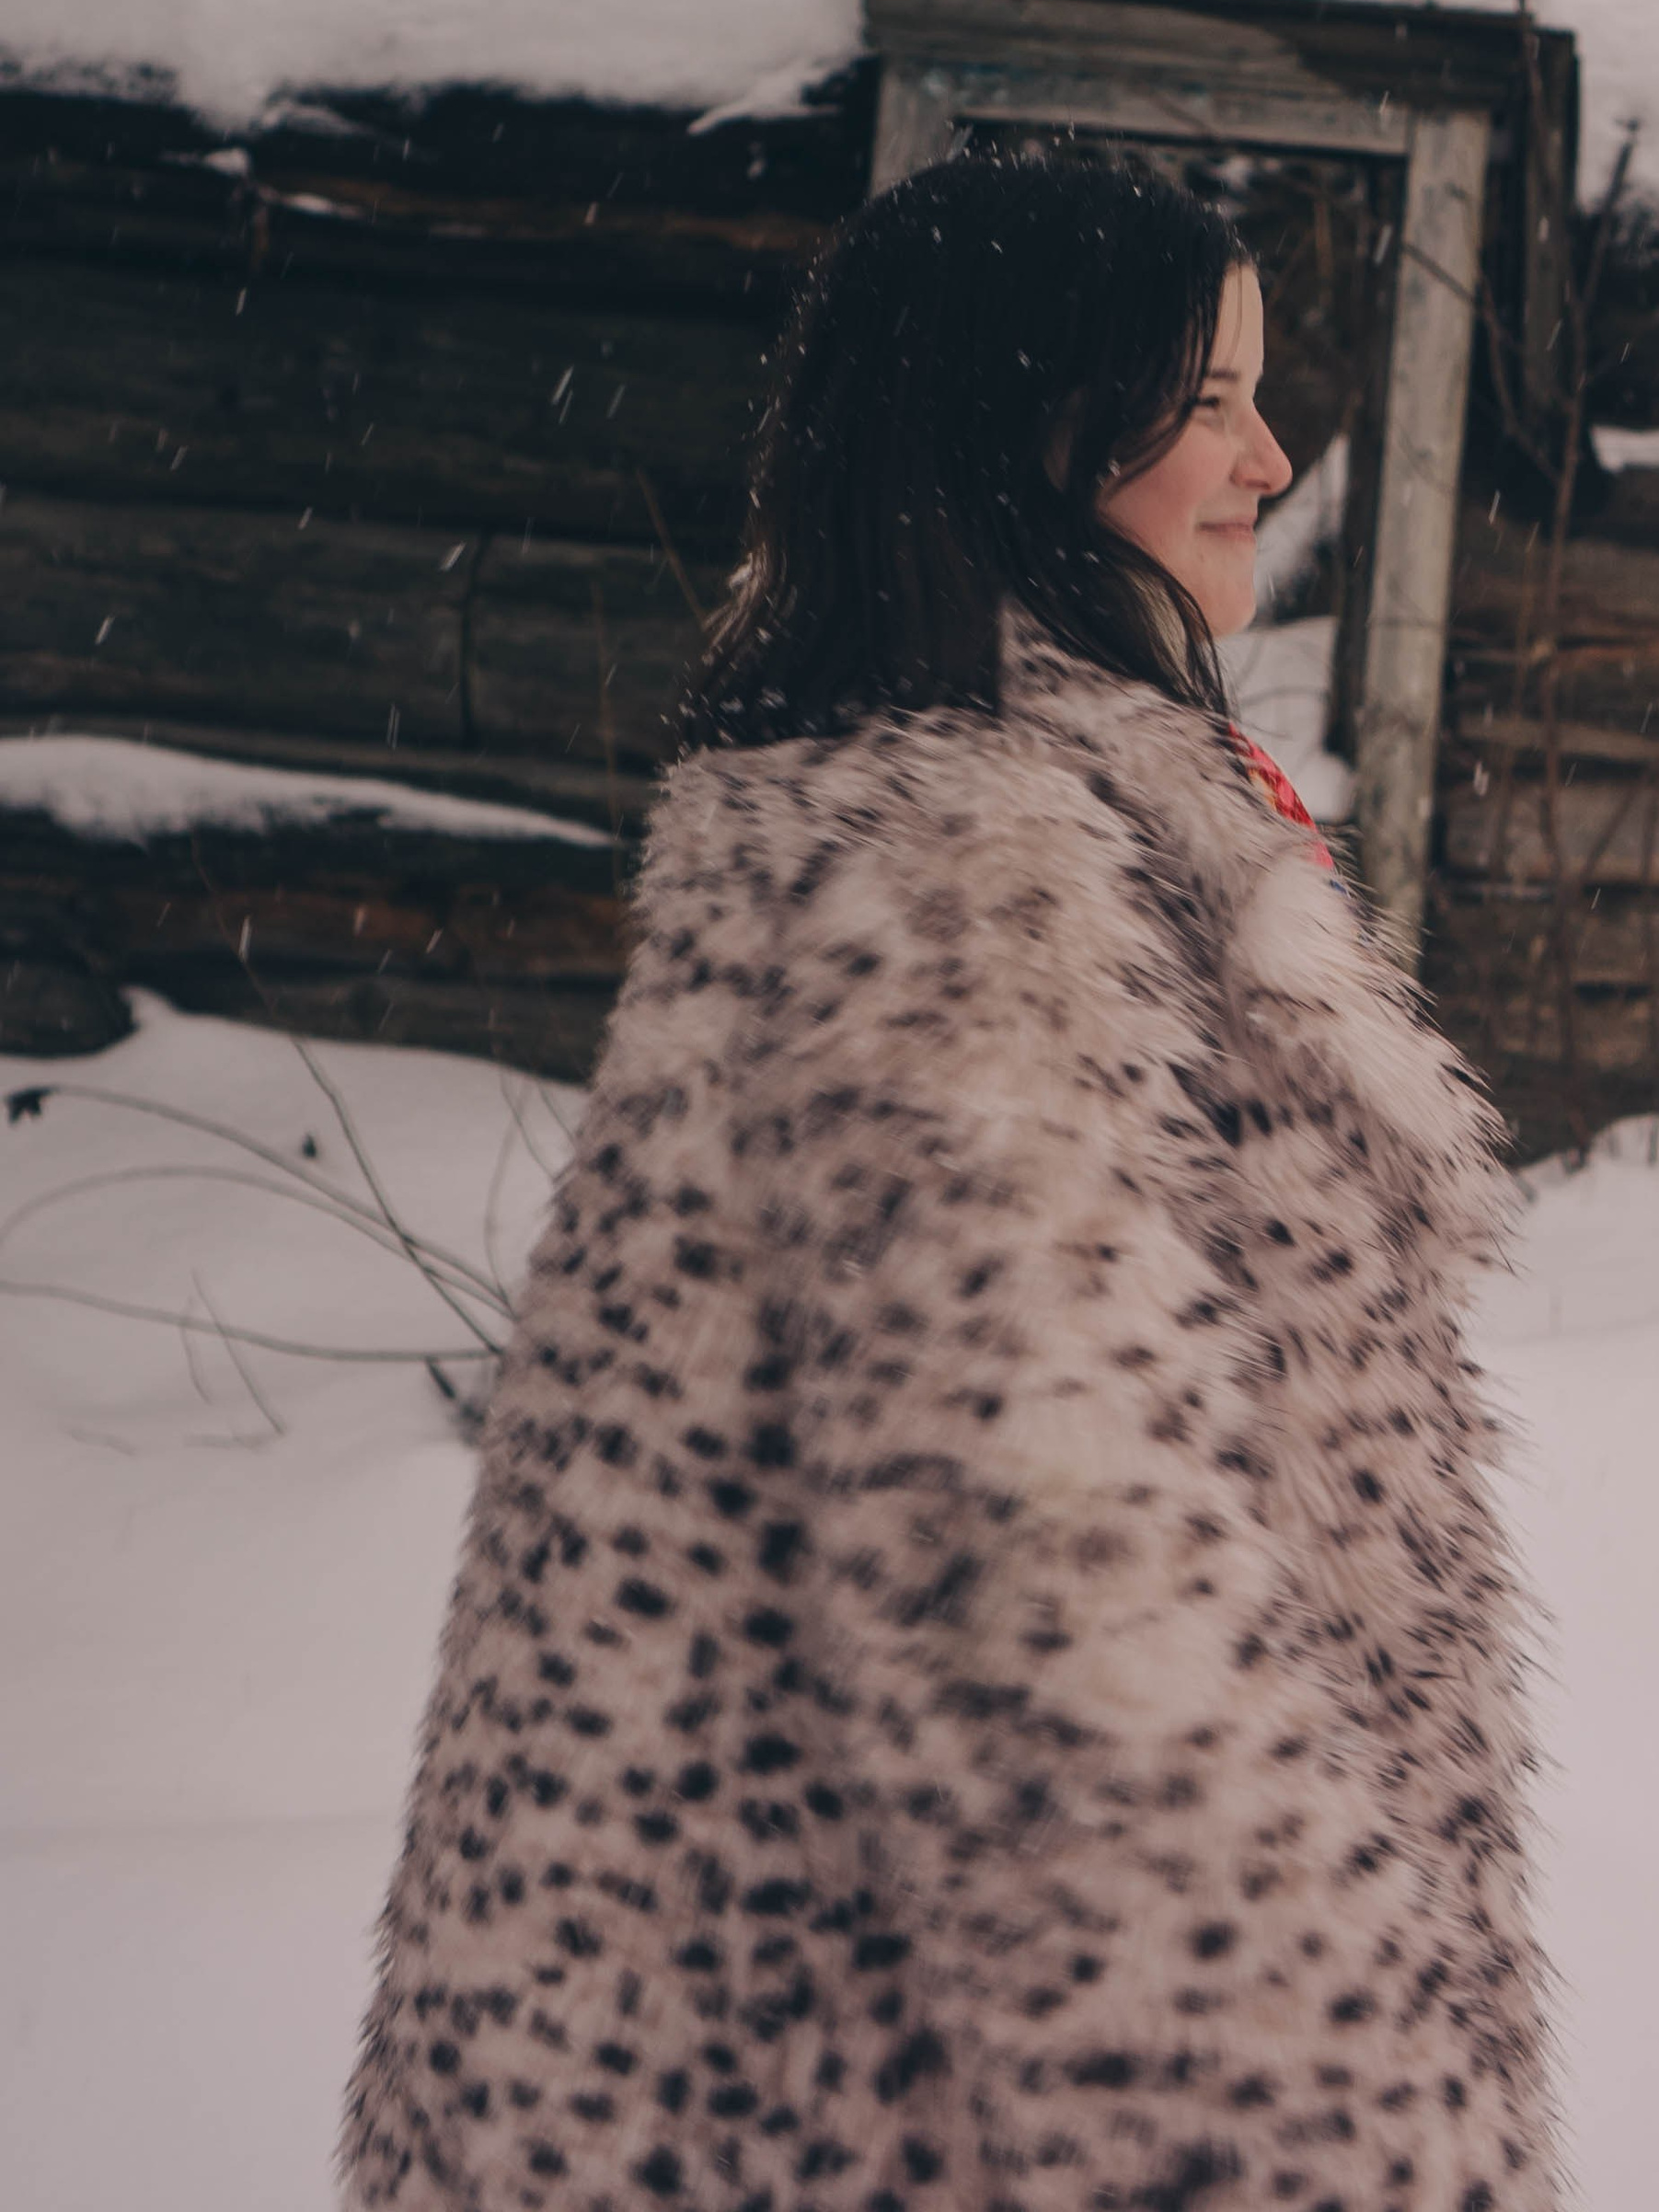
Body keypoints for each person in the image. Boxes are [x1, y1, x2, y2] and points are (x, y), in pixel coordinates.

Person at [342, 147, 1559, 2212]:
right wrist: (1329, 2143)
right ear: (1029, 429)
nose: (1271, 452)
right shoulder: (962, 856)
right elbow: (1038, 1584)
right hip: (902, 2092)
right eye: (1204, 400)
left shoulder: (925, 792)